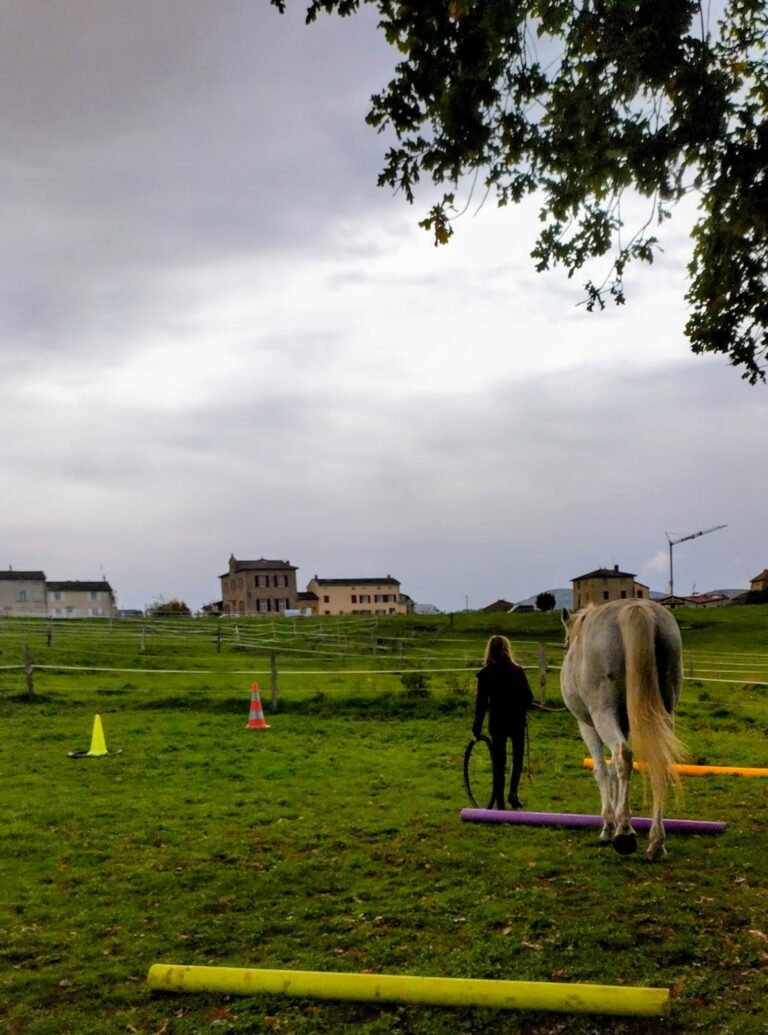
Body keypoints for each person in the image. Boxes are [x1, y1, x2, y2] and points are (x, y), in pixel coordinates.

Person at [472, 635, 534, 809]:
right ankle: (513, 793)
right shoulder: (518, 671)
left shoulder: (486, 674)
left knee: (498, 760)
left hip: (497, 721)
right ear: (508, 649)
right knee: (517, 757)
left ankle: (499, 799)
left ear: (489, 651)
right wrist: (522, 708)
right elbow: (528, 697)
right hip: (516, 720)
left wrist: (476, 728)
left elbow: (481, 704)